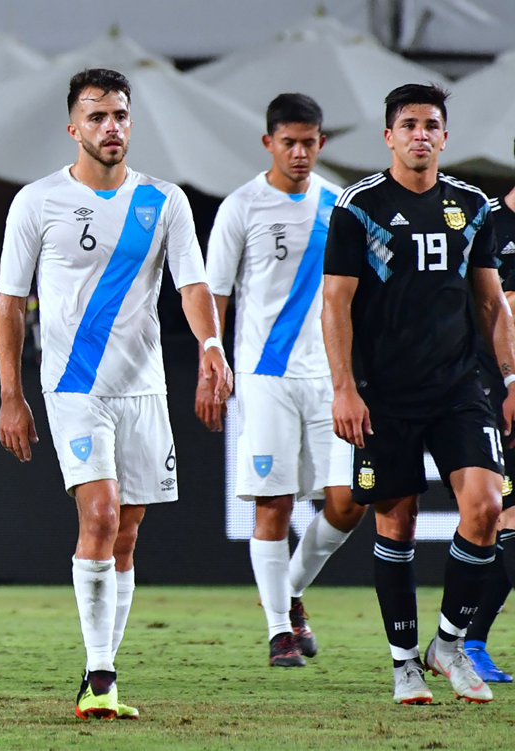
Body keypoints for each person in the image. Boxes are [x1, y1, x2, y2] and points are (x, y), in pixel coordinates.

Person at [0, 68, 232, 720]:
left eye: (121, 115)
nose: (111, 127)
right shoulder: (37, 202)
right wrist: (11, 394)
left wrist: (212, 348)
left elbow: (192, 287)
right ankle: (100, 676)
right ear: (73, 127)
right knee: (98, 517)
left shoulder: (165, 201)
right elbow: (10, 306)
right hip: (73, 387)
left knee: (126, 536)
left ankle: (102, 671)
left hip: (144, 389)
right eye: (97, 117)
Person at [323, 84, 515, 705]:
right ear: (389, 136)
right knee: (396, 522)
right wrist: (345, 389)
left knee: (485, 507)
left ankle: (449, 644)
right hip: (384, 395)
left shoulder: (471, 206)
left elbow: (490, 301)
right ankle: (405, 661)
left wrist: (511, 379)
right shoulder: (358, 208)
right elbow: (335, 304)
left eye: (431, 124)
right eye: (408, 125)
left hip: (459, 388)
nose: (420, 135)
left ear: (445, 135)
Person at [203, 93, 365, 668]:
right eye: (288, 142)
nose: (299, 152)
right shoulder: (241, 207)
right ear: (268, 142)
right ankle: (279, 632)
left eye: (309, 142)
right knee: (271, 504)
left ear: (322, 143)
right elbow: (213, 291)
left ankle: (291, 591)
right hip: (265, 376)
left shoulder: (342, 205)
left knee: (348, 503)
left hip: (329, 378)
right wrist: (212, 358)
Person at [463, 165, 515, 682]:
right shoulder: (490, 223)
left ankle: (464, 639)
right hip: (496, 393)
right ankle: (465, 641)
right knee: (506, 515)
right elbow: (497, 310)